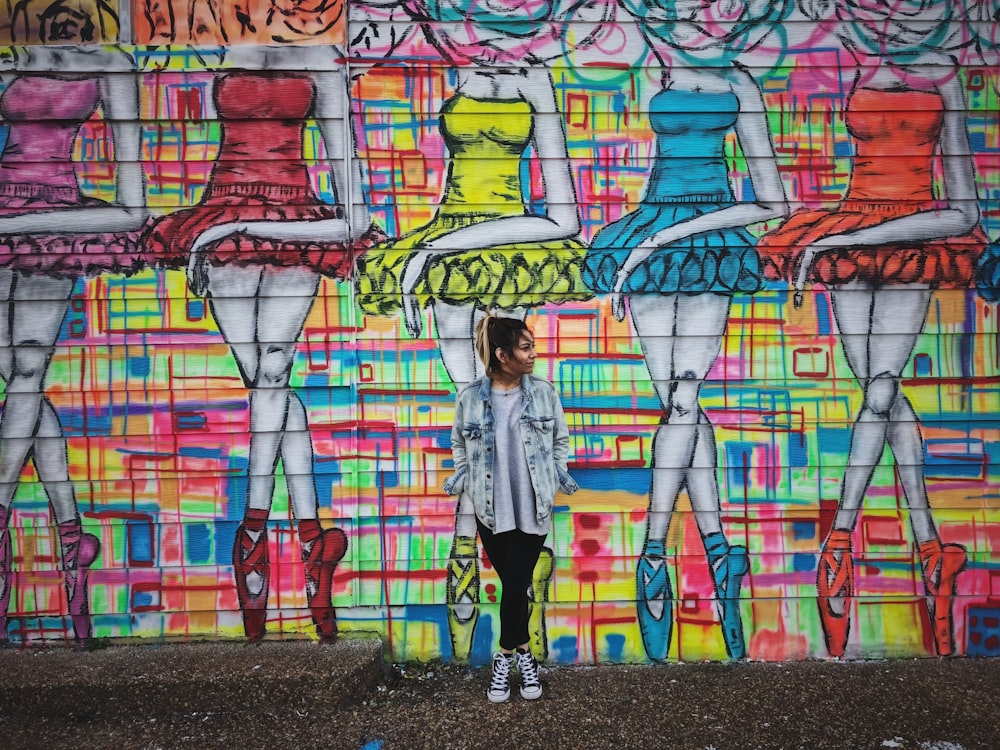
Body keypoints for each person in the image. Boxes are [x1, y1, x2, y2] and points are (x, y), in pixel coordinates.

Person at [352, 0, 607, 661]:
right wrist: (432, 250)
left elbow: (565, 219)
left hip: (503, 243)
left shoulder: (536, 79)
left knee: (507, 422)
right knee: (478, 422)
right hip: (451, 234)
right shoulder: (457, 70)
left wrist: (434, 255)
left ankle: (477, 557)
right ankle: (507, 563)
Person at [758, 0, 987, 657]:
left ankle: (841, 542)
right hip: (849, 235)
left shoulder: (943, 76)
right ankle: (930, 550)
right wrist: (848, 232)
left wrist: (866, 232)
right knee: (879, 398)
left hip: (901, 237)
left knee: (881, 389)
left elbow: (963, 208)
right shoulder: (856, 65)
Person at [142, 36, 383, 642]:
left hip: (280, 225)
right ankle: (313, 537)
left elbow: (354, 208)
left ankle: (251, 532)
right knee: (268, 388)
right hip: (220, 220)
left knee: (272, 374)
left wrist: (233, 227)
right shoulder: (218, 38)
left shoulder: (325, 57)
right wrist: (219, 227)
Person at [582, 0, 790, 661]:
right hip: (651, 230)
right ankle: (721, 554)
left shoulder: (741, 83)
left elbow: (771, 201)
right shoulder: (653, 69)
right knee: (683, 408)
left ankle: (652, 553)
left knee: (681, 400)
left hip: (700, 240)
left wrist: (661, 240)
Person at [0, 33, 146, 646]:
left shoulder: (109, 59)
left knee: (27, 374)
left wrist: (39, 223)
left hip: (49, 222)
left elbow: (133, 204)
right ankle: (71, 535)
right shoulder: (9, 50)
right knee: (22, 386)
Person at [443, 313, 578, 702]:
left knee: (516, 584)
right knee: (514, 588)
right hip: (489, 509)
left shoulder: (543, 393)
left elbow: (560, 441)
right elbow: (458, 444)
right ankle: (526, 657)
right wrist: (465, 474)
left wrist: (554, 478)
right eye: (525, 347)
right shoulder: (470, 397)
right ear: (502, 355)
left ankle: (503, 660)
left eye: (532, 346)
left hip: (533, 507)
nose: (533, 354)